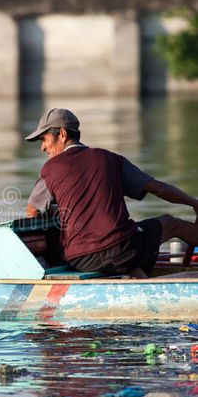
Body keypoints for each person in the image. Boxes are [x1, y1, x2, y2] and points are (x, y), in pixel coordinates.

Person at [25, 108, 198, 278]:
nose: (42, 147)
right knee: (171, 223)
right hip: (124, 249)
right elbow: (158, 188)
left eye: (44, 139)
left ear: (62, 134)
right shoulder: (110, 159)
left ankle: (136, 278)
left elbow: (32, 212)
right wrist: (193, 202)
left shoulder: (49, 170)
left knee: (126, 261)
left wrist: (56, 213)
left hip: (81, 259)